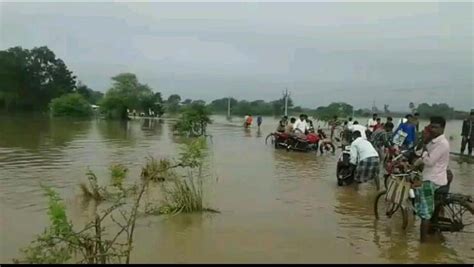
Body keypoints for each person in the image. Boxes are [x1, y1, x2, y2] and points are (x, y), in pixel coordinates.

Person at [412, 116, 450, 242]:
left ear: (443, 128)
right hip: (438, 178)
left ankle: (422, 245)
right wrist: (415, 164)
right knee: (433, 209)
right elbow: (422, 155)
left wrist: (423, 153)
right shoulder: (433, 141)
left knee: (425, 214)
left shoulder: (442, 143)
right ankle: (434, 232)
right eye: (431, 126)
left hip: (431, 180)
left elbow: (429, 161)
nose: (433, 129)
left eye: (436, 127)